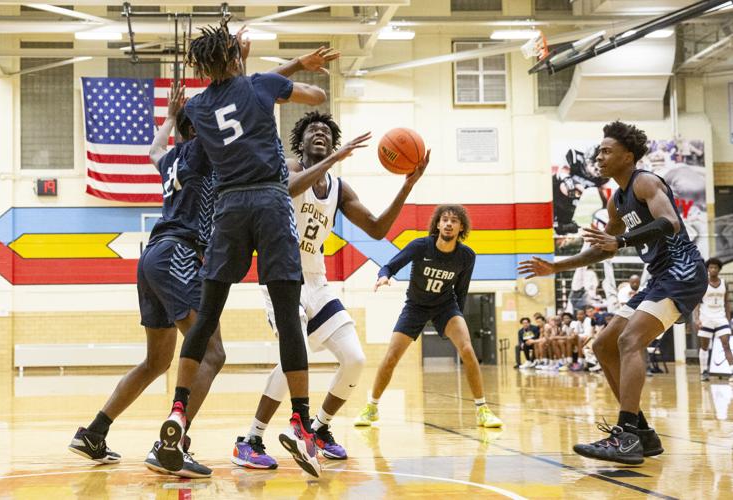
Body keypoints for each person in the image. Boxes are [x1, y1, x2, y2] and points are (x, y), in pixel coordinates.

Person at [154, 20, 333, 478]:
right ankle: (299, 421)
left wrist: (255, 72)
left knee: (208, 314)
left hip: (228, 210)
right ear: (237, 57)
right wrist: (293, 74)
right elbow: (317, 98)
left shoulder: (195, 107)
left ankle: (177, 410)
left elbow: (221, 99)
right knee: (289, 312)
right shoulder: (259, 85)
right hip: (271, 203)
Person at [232, 111, 429, 469]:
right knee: (297, 356)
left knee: (354, 359)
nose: (319, 133)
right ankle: (251, 438)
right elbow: (287, 189)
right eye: (312, 130)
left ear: (334, 142)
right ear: (301, 141)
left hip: (317, 280)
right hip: (280, 276)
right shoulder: (287, 166)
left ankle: (320, 428)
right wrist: (335, 160)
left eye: (326, 131)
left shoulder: (338, 188)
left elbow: (376, 229)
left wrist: (407, 186)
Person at [520, 121, 707, 465]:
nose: (599, 156)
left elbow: (671, 222)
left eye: (607, 151)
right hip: (659, 277)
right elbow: (604, 249)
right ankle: (643, 434)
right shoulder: (616, 202)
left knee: (629, 341)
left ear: (628, 156)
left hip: (683, 273)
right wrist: (556, 267)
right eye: (599, 150)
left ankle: (625, 436)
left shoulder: (645, 182)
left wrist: (620, 240)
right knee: (604, 344)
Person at [68, 85, 224, 478]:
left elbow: (152, 152)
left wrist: (170, 117)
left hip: (153, 256)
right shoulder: (203, 152)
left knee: (158, 360)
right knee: (212, 353)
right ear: (201, 130)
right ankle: (172, 445)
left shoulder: (171, 157)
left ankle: (94, 432)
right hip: (180, 255)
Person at [354, 205, 503, 428]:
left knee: (467, 349)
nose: (449, 224)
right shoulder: (421, 246)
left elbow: (461, 291)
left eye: (454, 221)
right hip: (415, 306)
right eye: (445, 219)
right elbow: (390, 265)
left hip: (446, 306)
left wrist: (455, 321)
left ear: (461, 227)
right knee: (392, 357)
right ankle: (372, 408)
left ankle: (483, 410)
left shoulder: (466, 256)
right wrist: (383, 277)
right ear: (437, 224)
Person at [695, 257, 733, 383]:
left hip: (720, 317)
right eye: (710, 267)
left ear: (719, 269)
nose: (713, 269)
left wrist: (728, 320)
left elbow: (727, 302)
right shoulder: (703, 283)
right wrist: (697, 319)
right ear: (707, 269)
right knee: (704, 346)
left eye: (715, 267)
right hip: (706, 317)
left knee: (726, 344)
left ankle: (732, 371)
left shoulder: (724, 283)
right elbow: (697, 303)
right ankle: (704, 371)